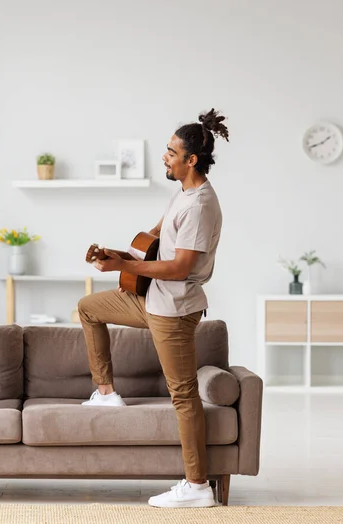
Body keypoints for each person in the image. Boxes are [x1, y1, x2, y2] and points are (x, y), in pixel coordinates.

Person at [78, 109, 229, 508]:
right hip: (153, 299)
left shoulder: (199, 205)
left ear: (191, 160)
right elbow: (155, 240)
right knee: (89, 307)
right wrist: (117, 254)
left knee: (183, 395)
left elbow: (181, 267)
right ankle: (106, 391)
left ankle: (198, 487)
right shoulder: (181, 194)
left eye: (170, 151)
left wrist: (123, 266)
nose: (164, 156)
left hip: (174, 310)